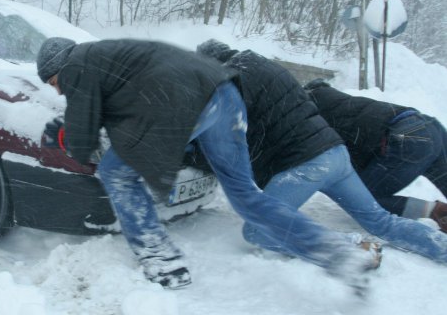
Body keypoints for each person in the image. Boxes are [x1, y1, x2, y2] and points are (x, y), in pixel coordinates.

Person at [36, 37, 379, 291]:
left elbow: (83, 140)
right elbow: (123, 109)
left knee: (116, 172)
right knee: (245, 196)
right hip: (224, 95)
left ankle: (160, 258)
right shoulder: (109, 57)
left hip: (183, 103)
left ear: (59, 67)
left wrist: (62, 138)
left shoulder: (77, 64)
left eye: (54, 84)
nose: (58, 92)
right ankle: (337, 253)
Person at [196, 39, 447, 266]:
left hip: (304, 165)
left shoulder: (232, 82)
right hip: (335, 155)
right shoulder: (270, 67)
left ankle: (349, 249)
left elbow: (229, 134)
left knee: (258, 230)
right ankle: (441, 248)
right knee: (380, 220)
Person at [304, 79, 447, 232]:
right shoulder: (325, 97)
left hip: (408, 138)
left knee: (360, 197)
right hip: (426, 126)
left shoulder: (306, 112)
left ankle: (435, 211)